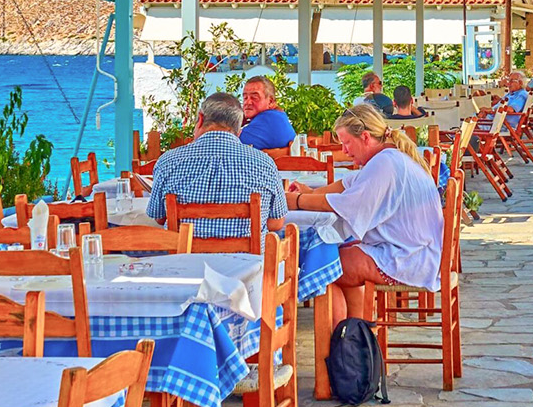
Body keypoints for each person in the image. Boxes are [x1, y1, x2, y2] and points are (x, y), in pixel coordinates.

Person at [287, 104, 443, 322]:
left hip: (410, 258)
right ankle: (356, 335)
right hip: (418, 251)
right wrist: (310, 191)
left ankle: (343, 345)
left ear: (366, 137)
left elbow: (349, 204)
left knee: (326, 267)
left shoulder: (385, 163)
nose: (345, 150)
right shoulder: (388, 157)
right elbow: (345, 185)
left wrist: (298, 201)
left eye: (347, 142)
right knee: (334, 258)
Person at [147, 93, 287, 240]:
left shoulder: (167, 162)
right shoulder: (265, 163)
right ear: (239, 131)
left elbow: (159, 218)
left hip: (184, 261)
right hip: (248, 262)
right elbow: (276, 222)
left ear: (200, 119)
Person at [239, 75, 296, 150]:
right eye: (245, 98)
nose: (248, 102)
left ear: (270, 101)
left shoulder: (269, 119)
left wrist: (236, 122)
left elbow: (227, 142)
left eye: (254, 98)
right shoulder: (277, 116)